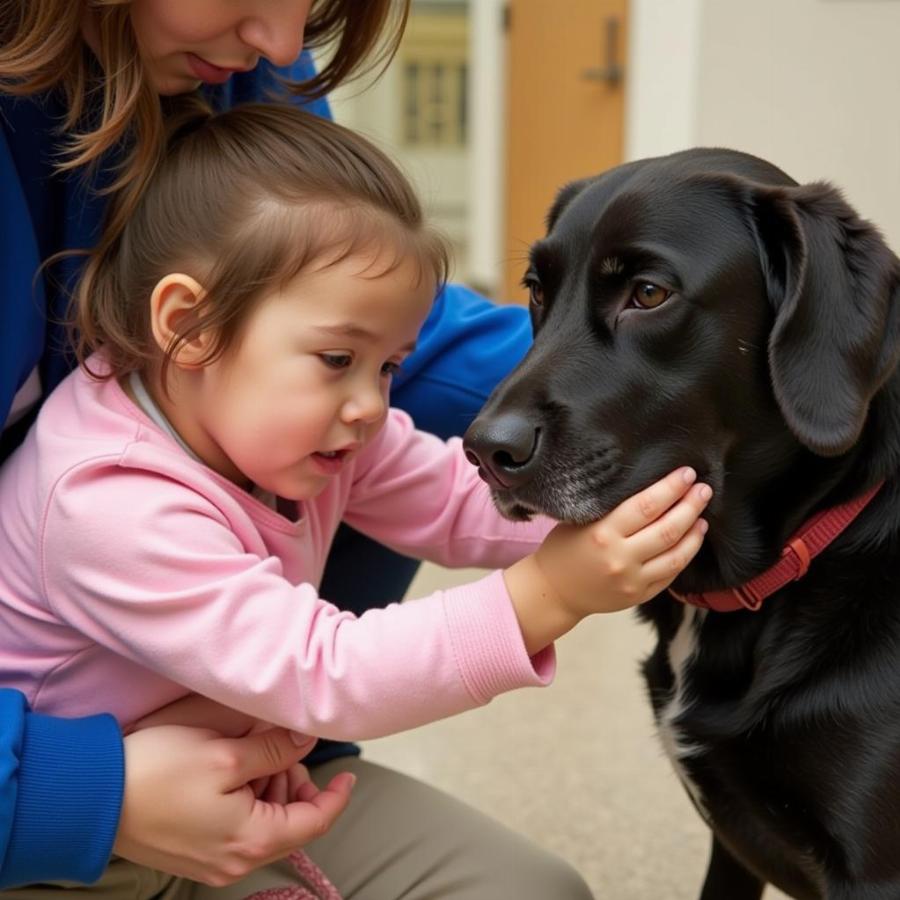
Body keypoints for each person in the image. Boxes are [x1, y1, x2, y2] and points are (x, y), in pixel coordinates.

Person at [0, 98, 712, 900]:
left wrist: (625, 509)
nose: (371, 404)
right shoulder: (105, 501)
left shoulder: (308, 428)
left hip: (248, 791)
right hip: (72, 863)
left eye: (386, 365)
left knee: (537, 888)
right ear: (189, 326)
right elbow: (327, 670)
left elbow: (456, 499)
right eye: (338, 356)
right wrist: (548, 596)